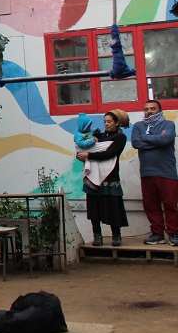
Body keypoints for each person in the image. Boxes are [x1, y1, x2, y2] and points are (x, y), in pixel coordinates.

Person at [75, 110, 129, 247]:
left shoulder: (120, 137)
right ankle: (97, 235)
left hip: (110, 176)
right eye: (105, 121)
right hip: (93, 175)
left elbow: (109, 153)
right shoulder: (97, 136)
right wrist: (81, 155)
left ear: (117, 123)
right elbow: (83, 148)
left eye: (109, 121)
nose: (106, 124)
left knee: (113, 207)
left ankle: (116, 235)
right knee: (94, 207)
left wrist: (89, 155)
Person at [130, 100, 178, 246]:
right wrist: (158, 140)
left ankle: (173, 233)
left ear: (160, 110)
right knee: (151, 205)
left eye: (153, 108)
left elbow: (165, 140)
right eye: (146, 109)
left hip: (167, 172)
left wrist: (145, 138)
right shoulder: (138, 126)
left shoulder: (168, 124)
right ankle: (157, 234)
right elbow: (136, 143)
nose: (149, 111)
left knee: (170, 204)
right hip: (147, 173)